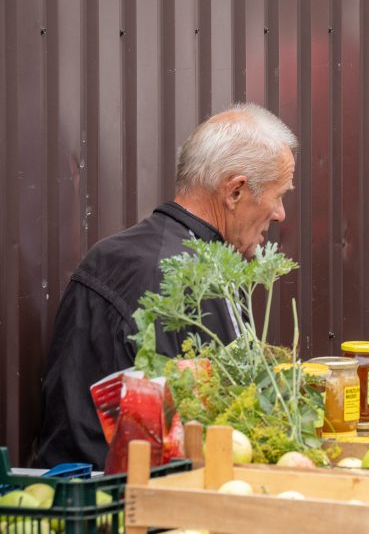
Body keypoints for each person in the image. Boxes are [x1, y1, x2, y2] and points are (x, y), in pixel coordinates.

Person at [36, 103, 298, 468]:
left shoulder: (115, 254)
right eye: (279, 194)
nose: (280, 213)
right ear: (235, 191)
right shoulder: (193, 278)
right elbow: (195, 433)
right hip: (128, 502)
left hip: (77, 485)